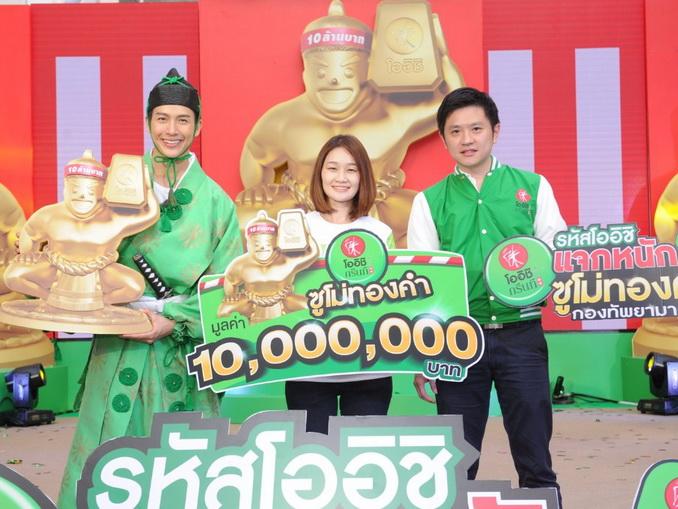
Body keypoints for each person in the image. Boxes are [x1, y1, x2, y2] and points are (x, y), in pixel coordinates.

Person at [58, 68, 242, 507]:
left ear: (198, 126)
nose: (171, 130)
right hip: (119, 333)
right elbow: (82, 251)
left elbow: (229, 289)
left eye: (182, 120)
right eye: (162, 118)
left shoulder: (217, 202)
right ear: (147, 122)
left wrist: (172, 320)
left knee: (181, 460)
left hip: (180, 344)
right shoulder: (113, 186)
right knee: (108, 451)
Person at [408, 87, 565, 500]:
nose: (467, 139)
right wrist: (425, 356)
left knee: (535, 453)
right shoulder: (428, 201)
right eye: (455, 131)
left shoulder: (532, 187)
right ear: (443, 139)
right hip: (458, 341)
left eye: (476, 129)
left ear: (495, 131)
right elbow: (423, 286)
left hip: (522, 334)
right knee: (458, 460)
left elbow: (556, 254)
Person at [236, 0, 464, 246]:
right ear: (306, 74)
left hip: (380, 205)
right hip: (300, 207)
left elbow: (451, 102)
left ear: (367, 72)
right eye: (321, 72)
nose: (334, 80)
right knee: (246, 220)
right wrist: (257, 187)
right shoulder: (284, 118)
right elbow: (256, 153)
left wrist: (440, 54)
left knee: (422, 217)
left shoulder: (392, 114)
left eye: (347, 72)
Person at [285, 134, 395, 434]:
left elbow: (392, 300)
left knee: (364, 455)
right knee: (311, 455)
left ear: (363, 176)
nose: (341, 178)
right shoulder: (297, 229)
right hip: (307, 368)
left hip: (368, 372)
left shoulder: (380, 232)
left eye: (351, 169)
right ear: (320, 174)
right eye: (332, 168)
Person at [217, 210, 319, 323]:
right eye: (256, 244)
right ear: (248, 244)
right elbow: (230, 280)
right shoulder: (241, 264)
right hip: (250, 303)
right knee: (223, 310)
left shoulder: (288, 260)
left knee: (313, 307)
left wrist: (306, 233)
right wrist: (231, 295)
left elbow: (313, 253)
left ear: (276, 242)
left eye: (267, 243)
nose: (262, 247)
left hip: (285, 300)